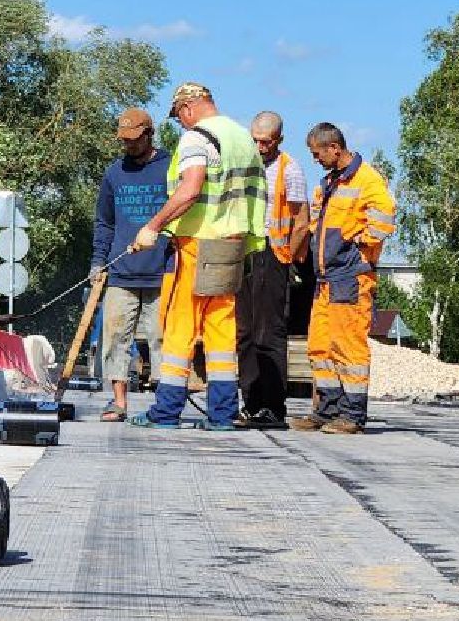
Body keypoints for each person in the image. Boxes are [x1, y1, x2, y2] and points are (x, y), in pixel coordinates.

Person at [126, 82, 267, 430]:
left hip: (197, 244)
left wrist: (154, 225)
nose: (181, 123)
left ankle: (166, 411)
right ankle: (221, 414)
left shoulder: (196, 138)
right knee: (221, 332)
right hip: (232, 244)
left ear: (188, 108)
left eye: (179, 117)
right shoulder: (242, 138)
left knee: (179, 329)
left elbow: (190, 189)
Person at [291, 122, 396, 434]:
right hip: (326, 277)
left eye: (317, 153)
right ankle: (328, 409)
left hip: (350, 277)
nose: (315, 159)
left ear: (334, 148)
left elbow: (385, 215)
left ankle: (352, 415)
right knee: (321, 346)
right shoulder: (329, 182)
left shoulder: (367, 179)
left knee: (348, 346)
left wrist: (359, 246)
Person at [88, 107, 171, 420]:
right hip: (121, 273)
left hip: (161, 271)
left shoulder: (170, 168)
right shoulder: (114, 173)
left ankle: (164, 403)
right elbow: (104, 223)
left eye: (135, 139)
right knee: (115, 338)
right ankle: (119, 402)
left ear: (149, 133)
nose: (130, 146)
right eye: (125, 141)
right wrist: (98, 261)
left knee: (161, 338)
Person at [235, 111, 309, 428]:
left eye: (265, 141)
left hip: (273, 253)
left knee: (269, 333)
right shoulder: (245, 165)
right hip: (246, 251)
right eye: (255, 140)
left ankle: (272, 407)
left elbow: (302, 221)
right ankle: (251, 403)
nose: (259, 146)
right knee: (245, 333)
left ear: (278, 139)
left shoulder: (289, 170)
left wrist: (286, 258)